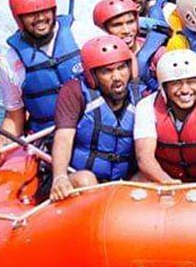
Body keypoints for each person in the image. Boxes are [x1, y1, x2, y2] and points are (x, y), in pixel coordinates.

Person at [0, 0, 82, 183]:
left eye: (45, 11)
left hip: (89, 128)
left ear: (54, 10)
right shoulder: (11, 62)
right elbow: (14, 117)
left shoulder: (80, 34)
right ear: (19, 19)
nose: (40, 18)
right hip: (49, 136)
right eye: (31, 14)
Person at [49, 36, 145, 202]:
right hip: (82, 179)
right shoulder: (74, 91)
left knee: (146, 178)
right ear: (93, 75)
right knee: (86, 179)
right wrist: (60, 177)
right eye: (106, 71)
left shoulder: (142, 96)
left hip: (124, 181)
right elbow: (64, 137)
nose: (117, 77)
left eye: (121, 68)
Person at [133, 49, 196, 184]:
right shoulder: (146, 106)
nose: (185, 90)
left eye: (191, 82)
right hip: (163, 179)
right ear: (164, 88)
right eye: (176, 83)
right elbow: (144, 158)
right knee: (138, 181)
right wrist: (167, 182)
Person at [93, 0, 168, 91]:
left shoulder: (158, 54)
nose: (126, 30)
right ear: (105, 29)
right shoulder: (101, 57)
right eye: (117, 25)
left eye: (130, 22)